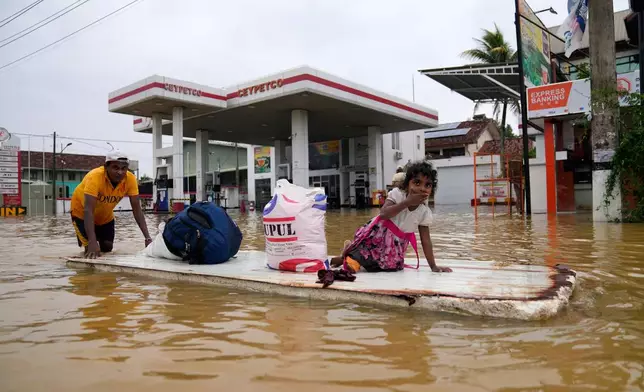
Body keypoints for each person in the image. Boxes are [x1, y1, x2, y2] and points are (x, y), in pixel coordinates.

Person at [330, 161, 452, 273]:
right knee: (356, 263)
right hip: (377, 236)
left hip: (394, 246)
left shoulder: (424, 212)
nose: (422, 188)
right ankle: (349, 255)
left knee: (389, 268)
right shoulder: (398, 195)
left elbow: (426, 241)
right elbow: (384, 214)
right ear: (407, 184)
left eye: (427, 185)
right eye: (417, 182)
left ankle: (345, 254)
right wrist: (406, 202)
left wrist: (433, 266)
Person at [70, 152, 152, 258]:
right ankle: (86, 241)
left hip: (105, 216)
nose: (120, 172)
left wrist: (147, 238)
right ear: (106, 167)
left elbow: (137, 210)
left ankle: (92, 239)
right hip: (81, 213)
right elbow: (88, 210)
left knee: (108, 248)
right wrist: (92, 241)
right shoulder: (94, 177)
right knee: (92, 251)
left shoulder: (131, 179)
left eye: (124, 168)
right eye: (115, 167)